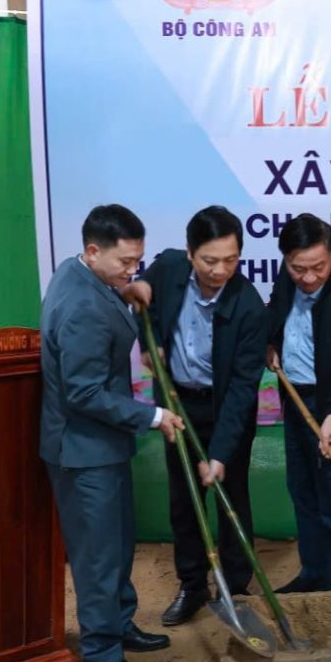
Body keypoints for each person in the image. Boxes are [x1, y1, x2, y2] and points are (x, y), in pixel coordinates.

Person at [40, 204, 181, 662]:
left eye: (137, 261)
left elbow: (108, 295)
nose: (132, 269)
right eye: (125, 263)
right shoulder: (79, 307)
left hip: (103, 447)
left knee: (118, 544)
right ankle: (100, 653)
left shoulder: (80, 275)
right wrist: (153, 415)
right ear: (93, 250)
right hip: (83, 452)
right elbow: (83, 393)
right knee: (98, 556)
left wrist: (125, 289)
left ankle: (119, 624)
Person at [121, 206, 267, 626]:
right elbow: (143, 300)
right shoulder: (168, 267)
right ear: (190, 253)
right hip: (177, 401)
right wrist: (147, 341)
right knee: (184, 501)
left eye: (231, 259)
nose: (221, 270)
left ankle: (236, 589)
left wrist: (219, 454)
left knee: (230, 494)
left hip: (225, 407)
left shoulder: (249, 307)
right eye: (210, 260)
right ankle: (192, 586)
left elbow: (242, 388)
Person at [265, 213, 331, 592]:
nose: (309, 278)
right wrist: (271, 343)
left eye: (319, 267)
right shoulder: (286, 279)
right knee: (304, 490)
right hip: (294, 397)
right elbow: (275, 314)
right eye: (299, 269)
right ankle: (313, 573)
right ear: (285, 260)